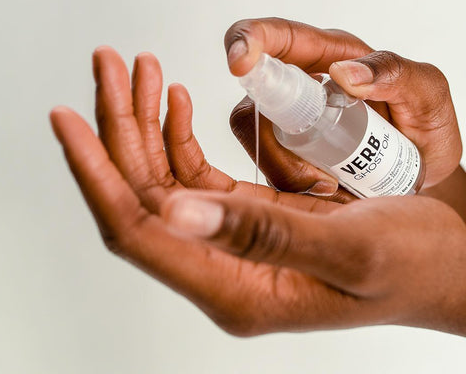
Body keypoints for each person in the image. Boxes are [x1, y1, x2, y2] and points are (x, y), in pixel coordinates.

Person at [50, 17, 466, 337]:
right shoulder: (306, 123)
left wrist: (452, 287)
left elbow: (446, 258)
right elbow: (437, 219)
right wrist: (441, 188)